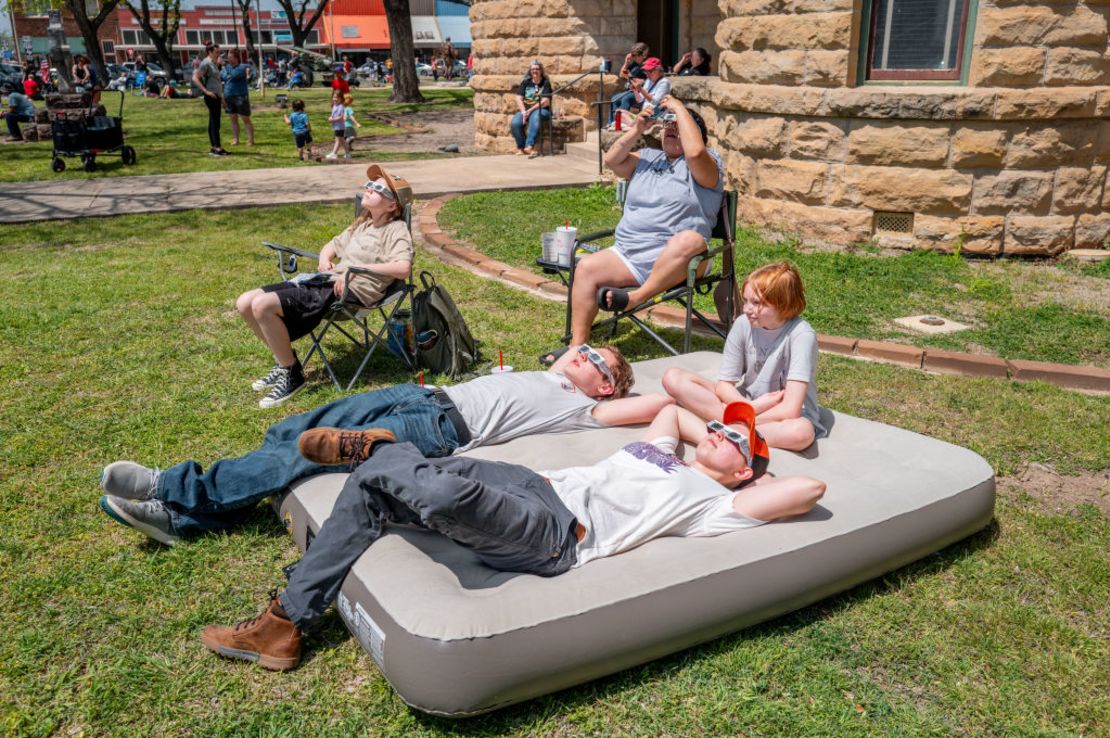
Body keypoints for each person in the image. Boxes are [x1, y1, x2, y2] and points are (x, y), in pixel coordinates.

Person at [197, 401, 825, 670]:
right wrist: (720, 428)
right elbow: (670, 413)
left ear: (743, 470)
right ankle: (284, 625)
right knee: (370, 489)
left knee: (437, 491)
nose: (716, 430)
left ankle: (388, 453)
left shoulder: (713, 502)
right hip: (531, 481)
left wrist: (749, 452)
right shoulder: (663, 453)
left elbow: (806, 492)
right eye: (715, 426)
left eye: (732, 439)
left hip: (555, 533)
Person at [98, 342, 671, 546]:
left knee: (301, 451)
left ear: (604, 386)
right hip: (419, 395)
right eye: (588, 348)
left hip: (437, 430)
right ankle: (198, 519)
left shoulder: (586, 406)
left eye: (601, 362)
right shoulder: (551, 373)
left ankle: (173, 491)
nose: (587, 354)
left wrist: (735, 400)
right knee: (293, 431)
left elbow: (661, 398)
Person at [547, 95, 723, 354]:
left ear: (695, 134)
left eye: (678, 126)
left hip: (683, 260)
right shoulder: (649, 158)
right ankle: (577, 348)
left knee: (690, 240)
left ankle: (637, 298)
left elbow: (695, 151)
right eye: (667, 125)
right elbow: (612, 160)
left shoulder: (707, 161)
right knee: (586, 268)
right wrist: (638, 129)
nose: (671, 129)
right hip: (630, 254)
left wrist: (677, 107)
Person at [233, 165, 414, 408]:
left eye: (379, 188)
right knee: (244, 302)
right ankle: (285, 361)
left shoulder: (396, 230)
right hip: (327, 282)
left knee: (263, 305)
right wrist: (323, 258)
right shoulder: (363, 224)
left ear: (393, 205)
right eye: (369, 185)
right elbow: (333, 244)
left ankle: (291, 374)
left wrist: (355, 271)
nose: (369, 189)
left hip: (351, 293)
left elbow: (403, 268)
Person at [662, 262, 826, 452]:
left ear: (783, 303)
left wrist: (742, 417)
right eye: (746, 300)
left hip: (780, 416)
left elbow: (790, 409)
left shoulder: (801, 335)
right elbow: (724, 385)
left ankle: (725, 429)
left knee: (800, 433)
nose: (747, 308)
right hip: (746, 404)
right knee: (673, 377)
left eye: (756, 303)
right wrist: (749, 408)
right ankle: (739, 432)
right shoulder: (743, 323)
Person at [192, 41, 228, 156]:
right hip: (211, 96)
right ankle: (217, 147)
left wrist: (221, 98)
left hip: (217, 96)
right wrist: (206, 91)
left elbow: (217, 82)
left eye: (219, 52)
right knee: (215, 122)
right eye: (217, 52)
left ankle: (214, 147)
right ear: (210, 52)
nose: (219, 54)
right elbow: (195, 78)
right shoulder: (206, 63)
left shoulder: (214, 63)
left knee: (213, 122)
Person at [509, 60, 551, 157]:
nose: (535, 71)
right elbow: (518, 98)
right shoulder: (526, 82)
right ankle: (521, 148)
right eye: (533, 69)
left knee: (535, 117)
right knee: (515, 122)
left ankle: (530, 145)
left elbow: (545, 102)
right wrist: (523, 111)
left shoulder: (545, 83)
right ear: (530, 71)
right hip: (526, 110)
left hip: (541, 110)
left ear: (541, 70)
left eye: (537, 69)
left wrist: (529, 111)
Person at [620, 57, 670, 129]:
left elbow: (655, 102)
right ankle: (633, 124)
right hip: (645, 113)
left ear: (657, 70)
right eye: (645, 71)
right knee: (619, 112)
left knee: (642, 117)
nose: (646, 74)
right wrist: (635, 90)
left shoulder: (664, 82)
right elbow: (639, 100)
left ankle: (632, 125)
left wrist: (640, 89)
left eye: (649, 71)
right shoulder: (648, 81)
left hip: (656, 114)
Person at [608, 42, 648, 128]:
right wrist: (626, 62)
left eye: (635, 55)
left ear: (643, 55)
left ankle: (621, 123)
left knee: (626, 98)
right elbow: (621, 74)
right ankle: (612, 123)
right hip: (630, 91)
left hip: (640, 94)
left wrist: (633, 79)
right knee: (614, 98)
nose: (633, 57)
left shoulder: (647, 66)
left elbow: (646, 80)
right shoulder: (634, 65)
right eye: (632, 55)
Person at [220, 48, 254, 146]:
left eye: (230, 57)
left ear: (236, 58)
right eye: (227, 57)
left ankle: (250, 140)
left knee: (245, 119)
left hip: (240, 96)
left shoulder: (242, 67)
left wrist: (224, 65)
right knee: (233, 119)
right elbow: (221, 77)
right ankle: (236, 139)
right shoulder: (226, 69)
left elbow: (234, 75)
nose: (228, 59)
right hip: (228, 97)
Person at [325, 90, 349, 160]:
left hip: (340, 126)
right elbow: (334, 114)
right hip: (336, 126)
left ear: (341, 99)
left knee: (337, 140)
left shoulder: (341, 106)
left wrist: (333, 119)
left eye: (337, 98)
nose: (335, 99)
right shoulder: (335, 105)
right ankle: (347, 153)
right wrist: (331, 117)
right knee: (342, 140)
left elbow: (341, 117)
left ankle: (334, 154)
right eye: (334, 97)